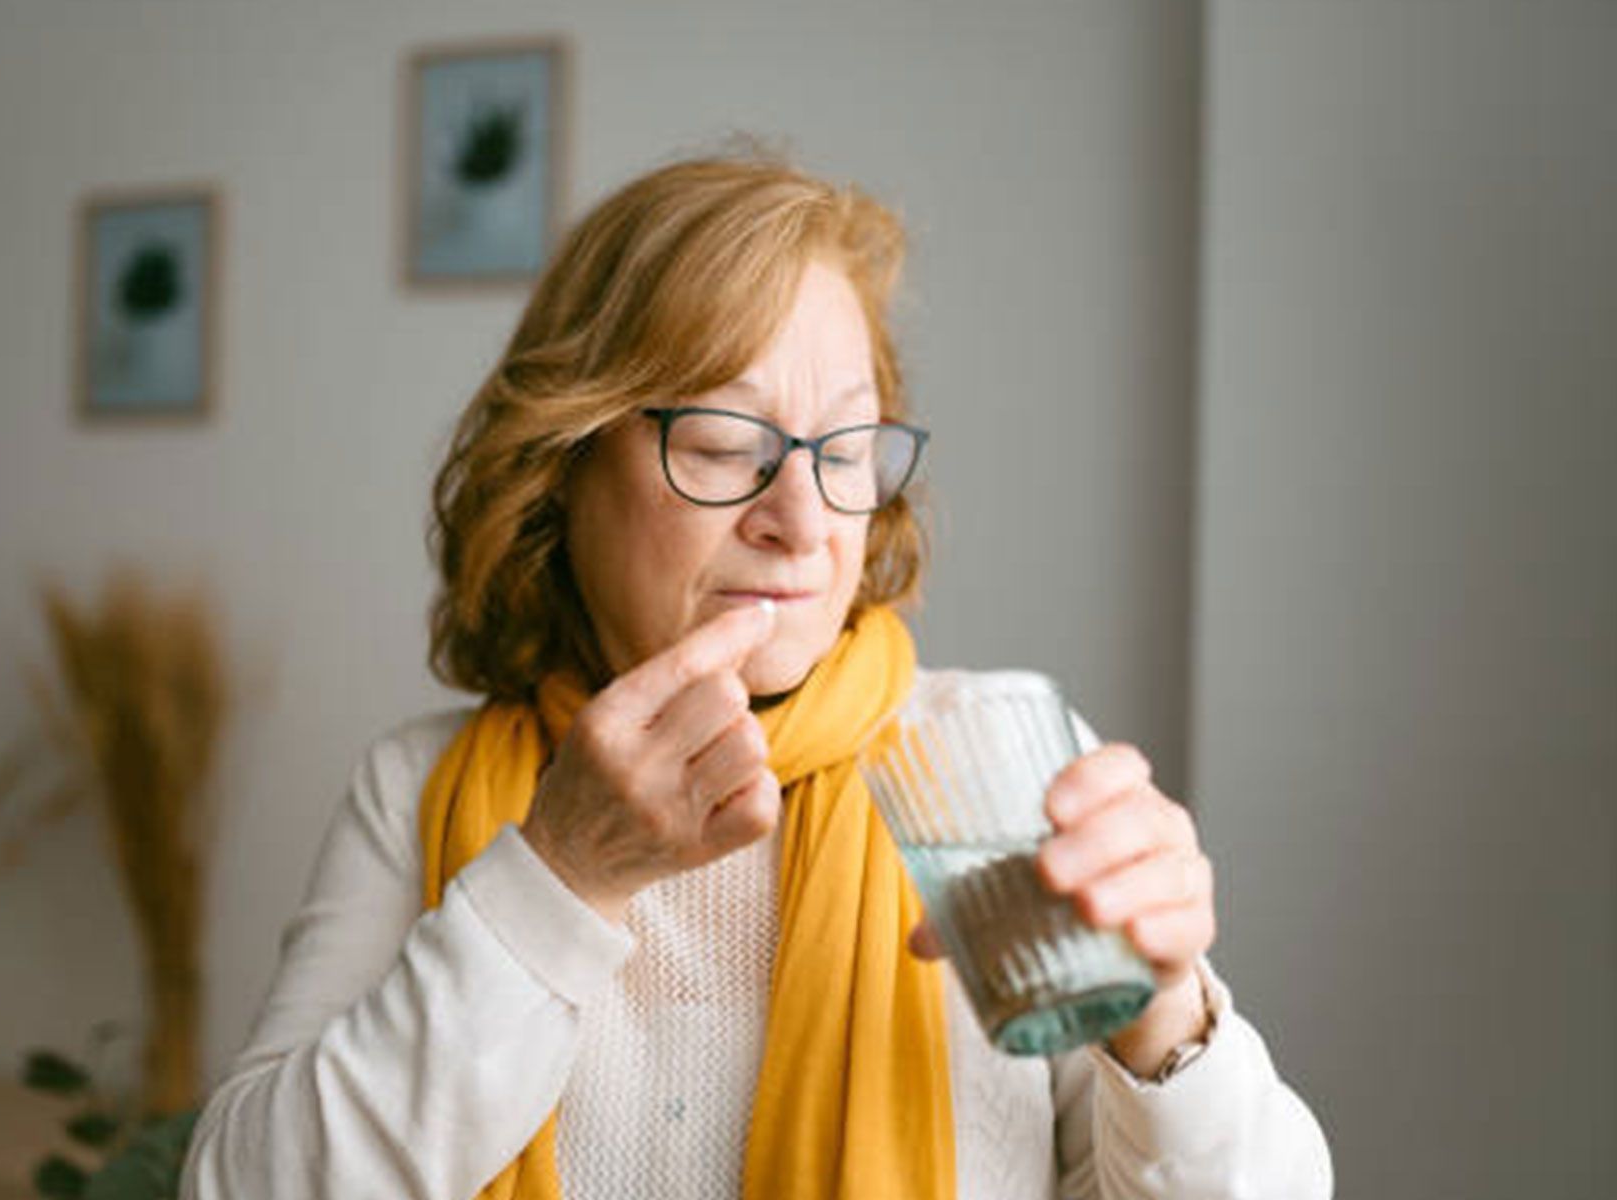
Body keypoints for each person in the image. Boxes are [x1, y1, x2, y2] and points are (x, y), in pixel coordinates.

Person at [179, 154, 1332, 1199]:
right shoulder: (417, 787)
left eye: (844, 450)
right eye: (728, 446)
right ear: (561, 464)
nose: (804, 520)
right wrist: (560, 878)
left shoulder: (989, 761)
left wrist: (1167, 1024)